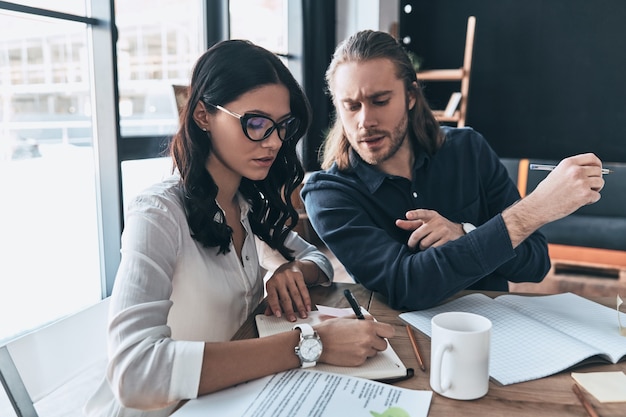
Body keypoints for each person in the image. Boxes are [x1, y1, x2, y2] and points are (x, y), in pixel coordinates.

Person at [85, 40, 394, 417]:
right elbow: (134, 373)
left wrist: (292, 269)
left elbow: (320, 261)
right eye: (256, 123)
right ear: (202, 115)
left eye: (282, 126)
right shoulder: (158, 214)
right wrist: (311, 344)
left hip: (227, 400)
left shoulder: (245, 206)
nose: (275, 142)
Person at [301, 30, 605, 311]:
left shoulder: (469, 149)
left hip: (498, 332)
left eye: (380, 101)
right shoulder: (327, 193)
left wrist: (465, 233)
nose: (365, 120)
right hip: (405, 344)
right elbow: (408, 284)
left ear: (410, 96)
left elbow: (535, 265)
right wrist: (535, 209)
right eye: (351, 106)